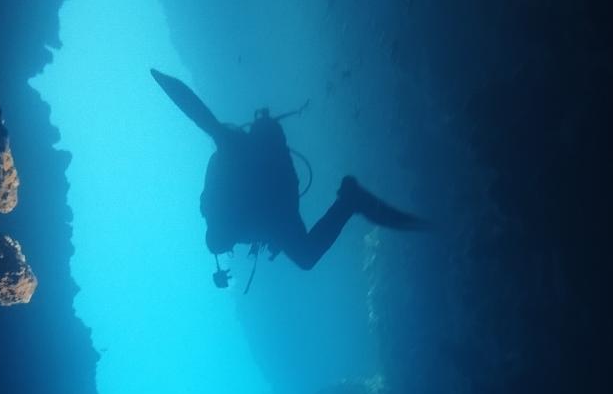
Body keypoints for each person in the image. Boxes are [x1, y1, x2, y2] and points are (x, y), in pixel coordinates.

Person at [151, 69, 429, 280]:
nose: (234, 235)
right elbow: (203, 119)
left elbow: (201, 117)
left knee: (224, 138)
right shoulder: (231, 222)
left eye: (229, 234)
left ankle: (351, 200)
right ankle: (350, 200)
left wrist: (168, 85)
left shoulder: (221, 192)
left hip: (261, 163)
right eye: (231, 238)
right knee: (305, 257)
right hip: (276, 198)